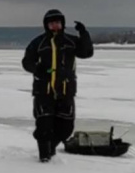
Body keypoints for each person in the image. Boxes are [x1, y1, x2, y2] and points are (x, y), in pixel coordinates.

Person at [22, 9, 94, 162]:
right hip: (44, 91)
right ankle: (44, 156)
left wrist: (84, 33)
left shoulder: (70, 41)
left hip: (66, 91)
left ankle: (51, 147)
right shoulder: (38, 43)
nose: (55, 25)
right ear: (47, 25)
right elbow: (26, 62)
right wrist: (37, 69)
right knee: (44, 125)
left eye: (58, 22)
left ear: (62, 24)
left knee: (66, 128)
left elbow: (87, 52)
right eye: (52, 23)